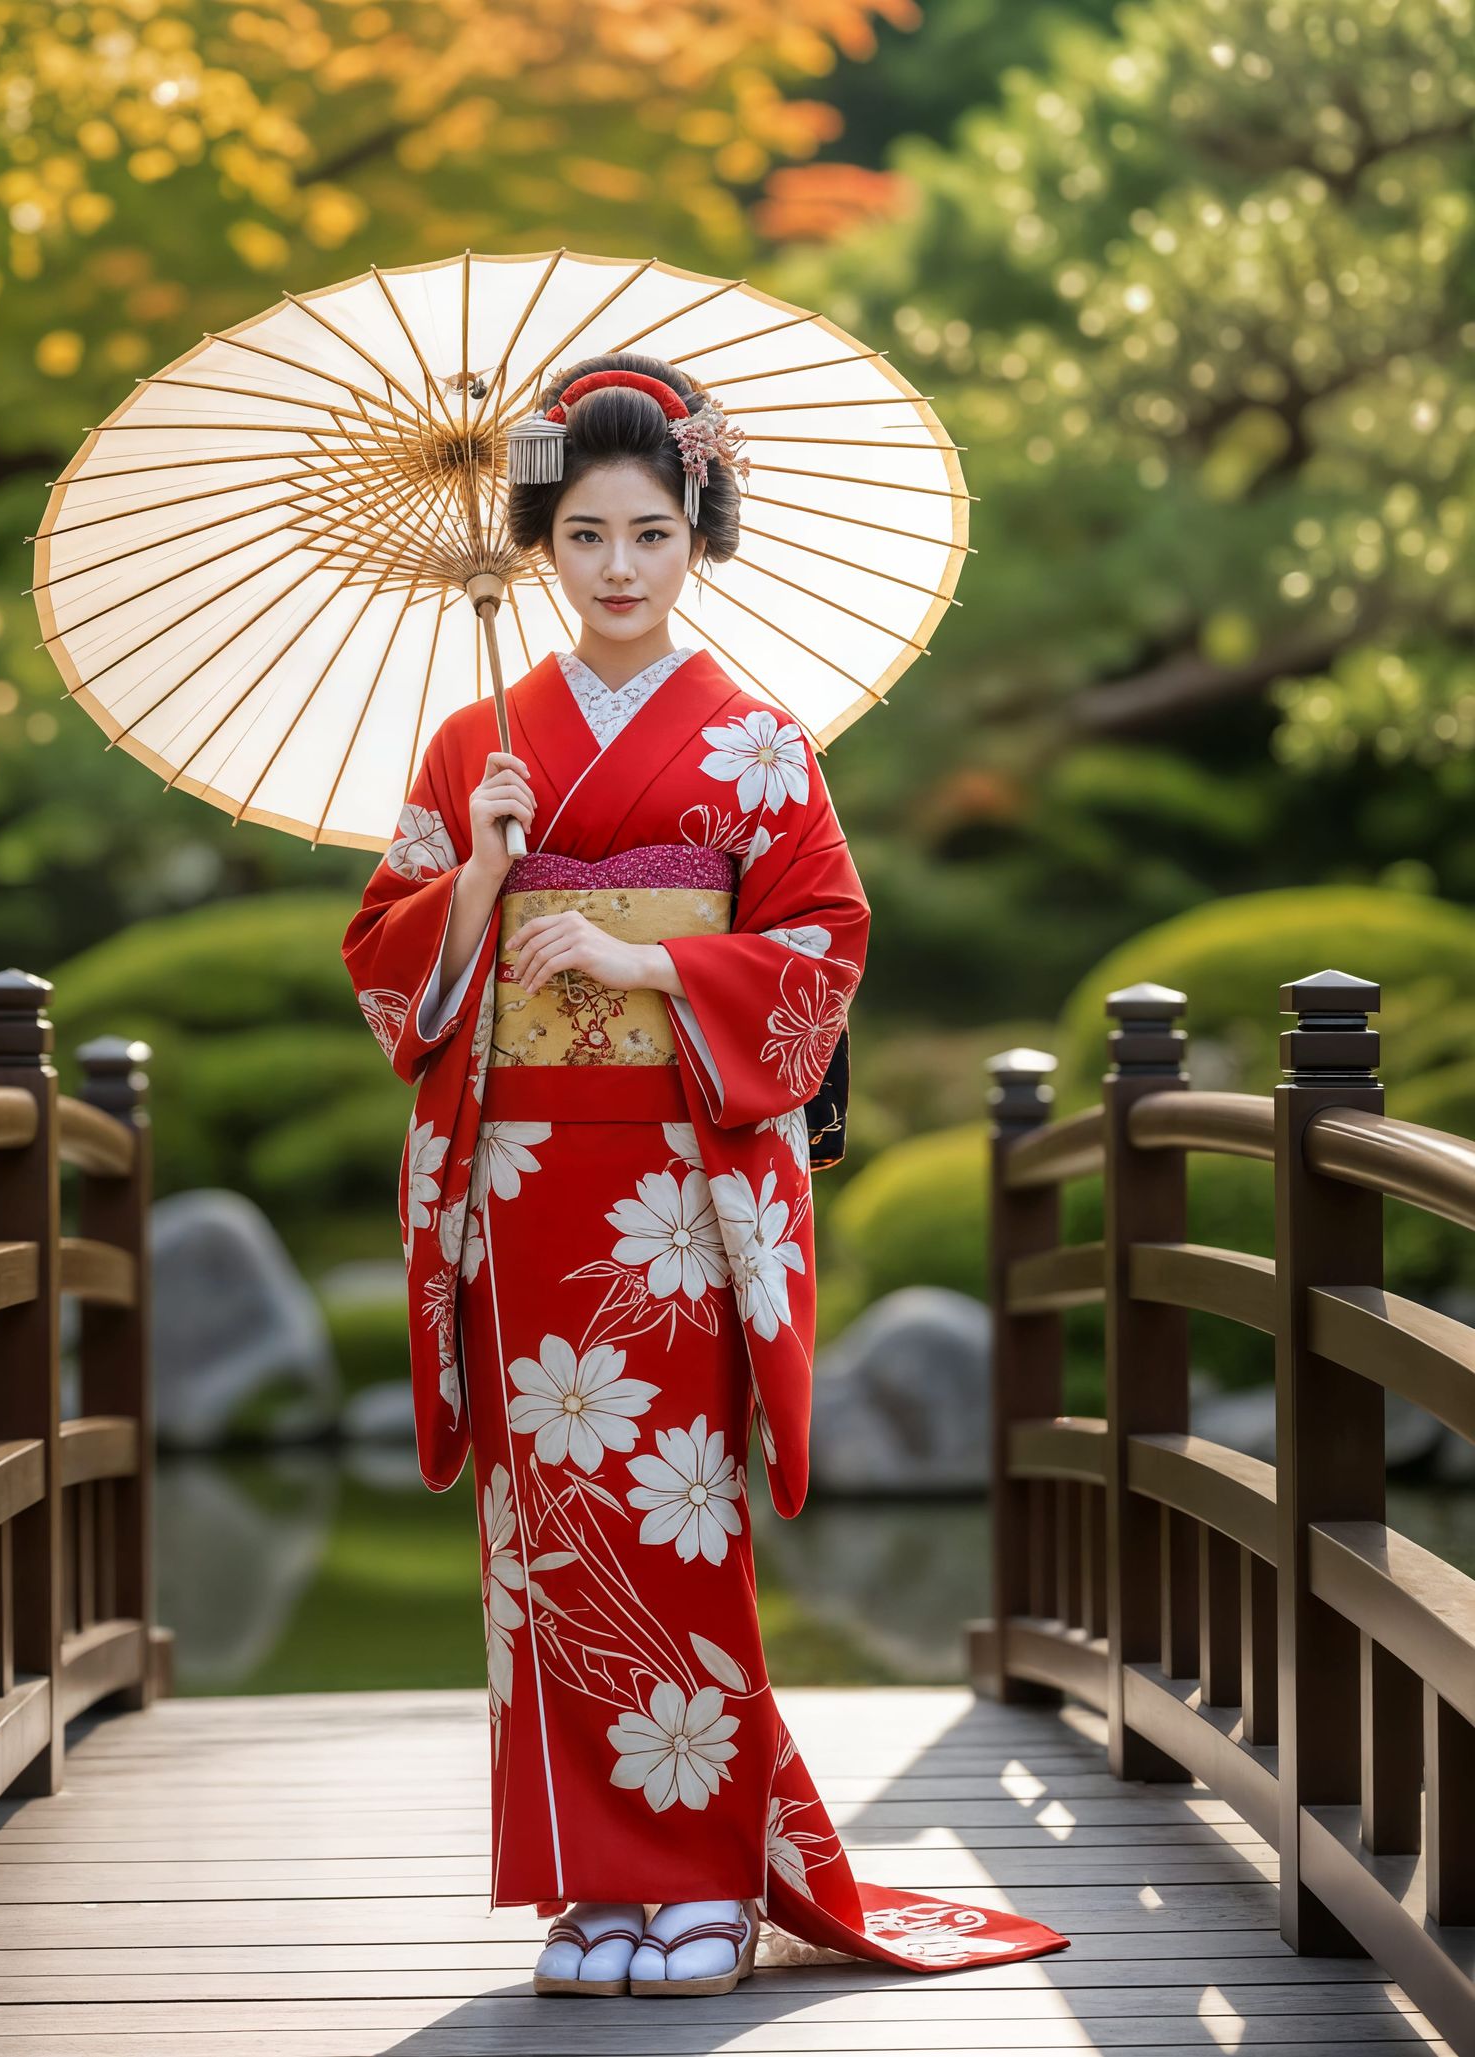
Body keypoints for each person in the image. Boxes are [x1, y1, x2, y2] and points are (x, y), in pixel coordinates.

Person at [340, 351, 1067, 1996]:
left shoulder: (755, 743)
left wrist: (654, 962)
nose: (614, 566)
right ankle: (593, 1888)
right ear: (541, 540)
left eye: (650, 531)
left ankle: (703, 1884)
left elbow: (823, 941)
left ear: (697, 535)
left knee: (672, 1523)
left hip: (675, 1190)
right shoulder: (477, 750)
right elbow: (388, 972)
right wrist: (476, 885)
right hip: (519, 1173)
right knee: (547, 1537)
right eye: (584, 531)